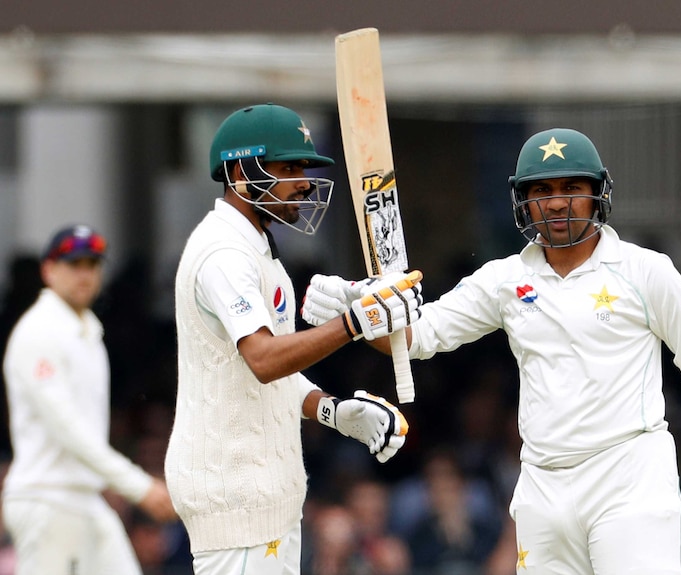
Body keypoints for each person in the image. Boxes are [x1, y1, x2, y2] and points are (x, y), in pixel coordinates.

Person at [301, 128, 681, 573]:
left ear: (597, 195)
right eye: (543, 191)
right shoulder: (506, 279)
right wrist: (356, 312)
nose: (558, 202)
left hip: (630, 476)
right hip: (543, 486)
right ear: (523, 201)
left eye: (572, 189)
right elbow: (418, 335)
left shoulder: (646, 271)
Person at [164, 103, 421, 575]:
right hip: (235, 501)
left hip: (265, 501)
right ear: (241, 172)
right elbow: (263, 359)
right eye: (288, 167)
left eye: (303, 166)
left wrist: (332, 410)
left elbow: (268, 373)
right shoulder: (223, 252)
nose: (304, 181)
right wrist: (354, 323)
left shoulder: (257, 250)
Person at [2, 224, 177, 574]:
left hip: (84, 497)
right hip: (45, 497)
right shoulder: (38, 331)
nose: (85, 275)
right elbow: (66, 428)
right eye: (74, 264)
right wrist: (138, 485)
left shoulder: (88, 329)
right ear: (48, 270)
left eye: (92, 265)